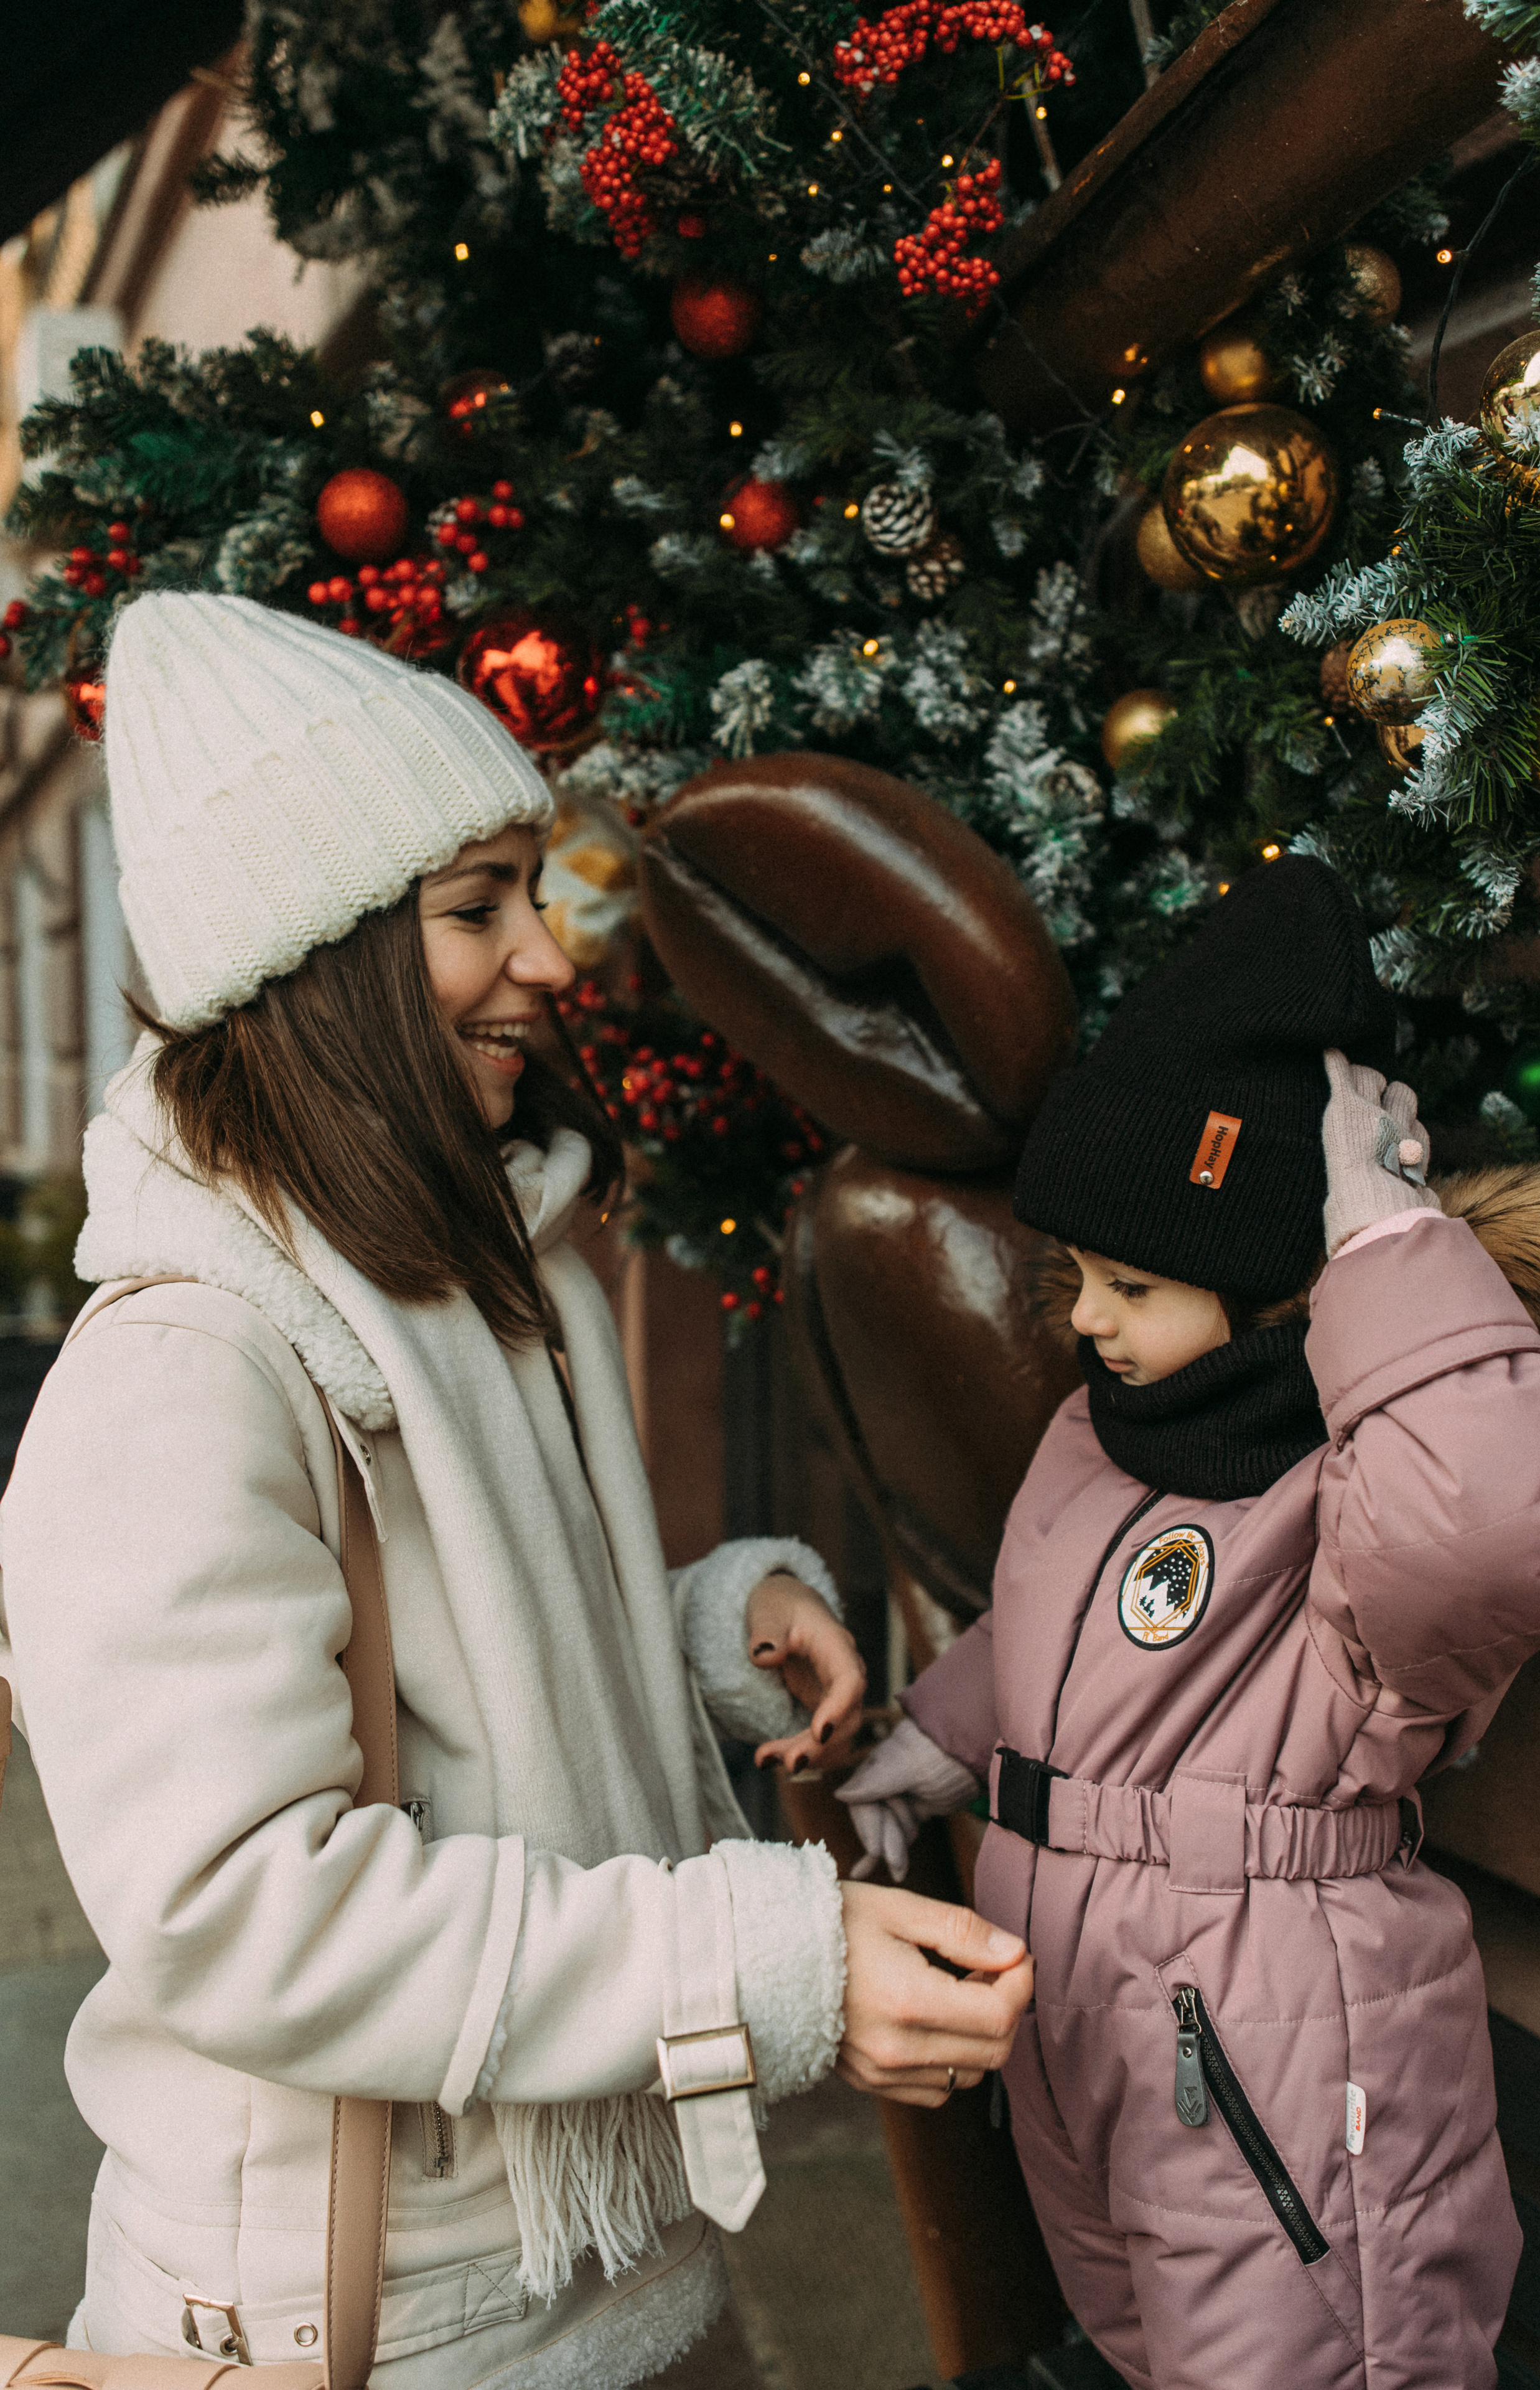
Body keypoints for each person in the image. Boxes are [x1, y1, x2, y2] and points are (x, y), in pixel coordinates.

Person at [0, 593, 1031, 2388]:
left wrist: (710, 1629)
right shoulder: (187, 1372)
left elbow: (461, 1658)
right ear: (305, 961)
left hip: (606, 2264)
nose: (549, 959)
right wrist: (765, 1965)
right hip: (389, 2326)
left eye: (530, 896)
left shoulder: (481, 1264)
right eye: (478, 909)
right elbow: (251, 1909)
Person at [839, 858, 1540, 2390]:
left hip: (1265, 2032)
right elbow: (1055, 1633)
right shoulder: (1113, 1425)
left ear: (1270, 1289)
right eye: (1077, 1276)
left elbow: (1494, 1533)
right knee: (1138, 2348)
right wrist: (939, 1736)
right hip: (1083, 2015)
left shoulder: (1352, 1479)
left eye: (1130, 1282)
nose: (1083, 1320)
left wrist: (1386, 1252)